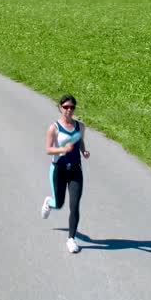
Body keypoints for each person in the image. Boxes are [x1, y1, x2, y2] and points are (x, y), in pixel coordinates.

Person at [40, 94, 90, 253]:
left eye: (72, 107)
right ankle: (49, 202)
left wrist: (84, 151)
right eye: (66, 107)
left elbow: (80, 141)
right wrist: (63, 149)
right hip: (59, 169)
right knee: (59, 203)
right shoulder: (54, 127)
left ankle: (71, 239)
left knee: (74, 205)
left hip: (76, 170)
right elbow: (48, 150)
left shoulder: (80, 126)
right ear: (60, 108)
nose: (69, 110)